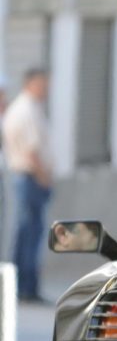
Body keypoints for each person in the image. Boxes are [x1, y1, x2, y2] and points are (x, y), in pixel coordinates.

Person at [2, 68, 53, 302]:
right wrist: (44, 177)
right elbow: (32, 151)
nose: (47, 89)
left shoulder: (27, 108)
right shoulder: (26, 110)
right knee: (29, 233)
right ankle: (25, 287)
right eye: (43, 84)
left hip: (27, 177)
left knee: (27, 232)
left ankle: (22, 286)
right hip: (30, 177)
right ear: (31, 83)